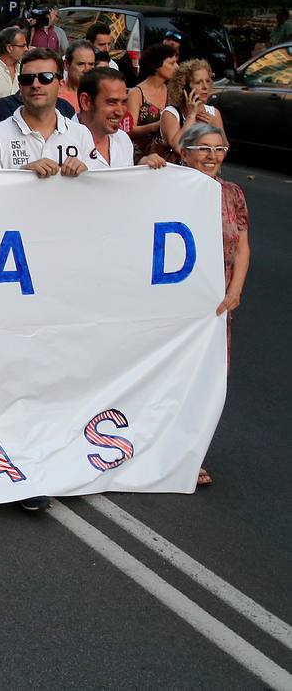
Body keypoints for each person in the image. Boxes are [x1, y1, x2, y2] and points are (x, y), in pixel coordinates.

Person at [177, 122, 247, 487]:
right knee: (177, 378)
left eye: (218, 149)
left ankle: (194, 453)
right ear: (185, 152)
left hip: (216, 308)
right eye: (203, 148)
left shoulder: (232, 193)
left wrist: (234, 290)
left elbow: (243, 245)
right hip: (178, 305)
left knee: (210, 380)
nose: (211, 156)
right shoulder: (169, 189)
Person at [0, 48, 94, 176]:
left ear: (60, 84)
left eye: (46, 77)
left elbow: (97, 189)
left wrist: (86, 174)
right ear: (20, 86)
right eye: (27, 78)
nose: (35, 84)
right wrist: (23, 176)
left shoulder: (82, 135)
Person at [75, 67, 166, 170]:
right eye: (112, 102)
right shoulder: (61, 141)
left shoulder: (123, 140)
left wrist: (141, 167)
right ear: (86, 102)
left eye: (123, 102)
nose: (121, 112)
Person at [127, 42, 178, 160]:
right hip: (141, 157)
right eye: (171, 63)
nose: (177, 67)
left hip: (166, 156)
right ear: (157, 66)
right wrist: (156, 126)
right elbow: (129, 130)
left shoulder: (172, 91)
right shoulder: (136, 93)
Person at [161, 58, 224, 153]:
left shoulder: (214, 113)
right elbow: (177, 147)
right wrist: (191, 116)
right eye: (198, 82)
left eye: (207, 81)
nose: (205, 87)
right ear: (184, 87)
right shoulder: (171, 113)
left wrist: (216, 128)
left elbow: (224, 148)